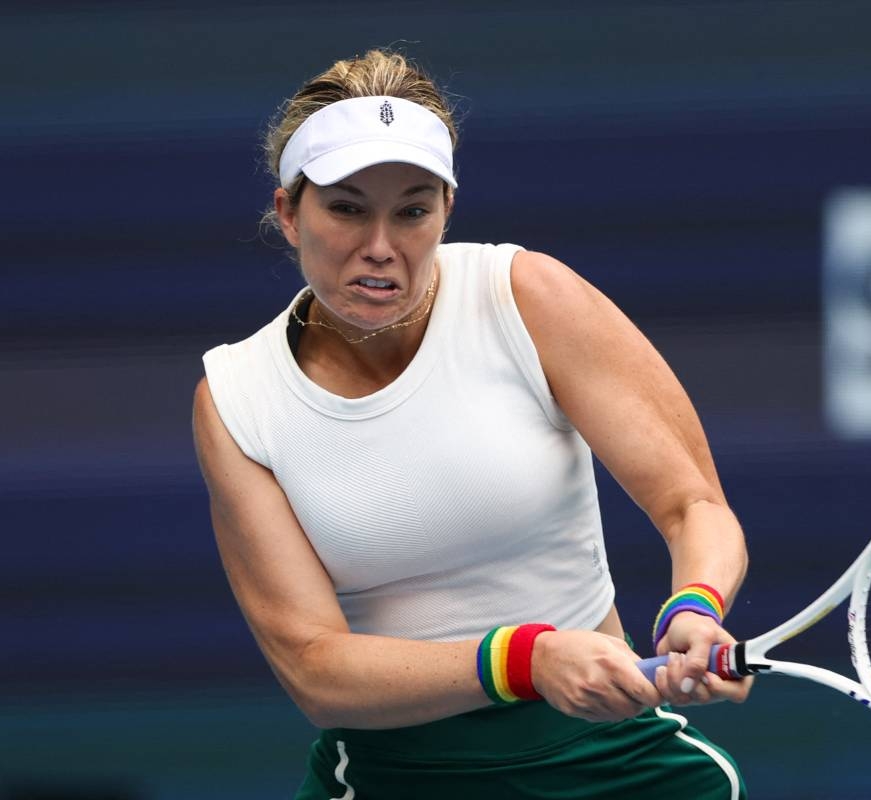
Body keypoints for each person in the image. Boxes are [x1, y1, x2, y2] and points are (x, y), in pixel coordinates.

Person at [192, 48, 751, 798]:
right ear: (290, 213)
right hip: (392, 776)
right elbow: (313, 667)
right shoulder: (237, 398)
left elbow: (695, 508)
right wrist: (526, 660)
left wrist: (696, 604)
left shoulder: (529, 298)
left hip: (612, 763)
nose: (382, 246)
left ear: (446, 210)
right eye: (347, 208)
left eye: (413, 210)